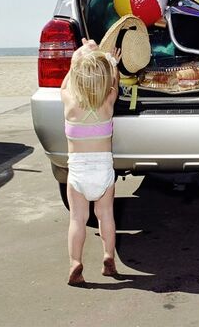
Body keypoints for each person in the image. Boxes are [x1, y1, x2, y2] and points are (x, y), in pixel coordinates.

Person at [61, 38, 121, 286]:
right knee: (106, 215)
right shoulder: (108, 102)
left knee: (77, 219)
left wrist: (80, 56)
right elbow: (114, 81)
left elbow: (66, 82)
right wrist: (111, 62)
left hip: (77, 173)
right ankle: (108, 257)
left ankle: (75, 262)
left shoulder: (69, 103)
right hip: (103, 172)